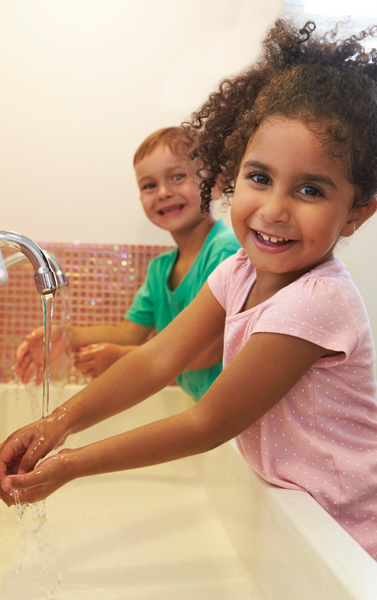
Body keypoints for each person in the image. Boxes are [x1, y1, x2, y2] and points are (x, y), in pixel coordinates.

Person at [0, 19, 377, 598]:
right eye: (259, 177)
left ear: (355, 214)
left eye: (311, 190)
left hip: (374, 555)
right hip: (314, 534)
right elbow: (156, 360)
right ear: (230, 176)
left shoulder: (318, 303)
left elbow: (208, 421)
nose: (273, 209)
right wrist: (56, 423)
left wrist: (70, 463)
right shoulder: (237, 271)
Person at [15, 127, 241, 401]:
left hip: (236, 411)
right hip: (207, 408)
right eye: (149, 185)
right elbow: (129, 332)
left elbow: (208, 350)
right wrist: (67, 336)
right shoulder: (160, 270)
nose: (163, 192)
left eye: (178, 176)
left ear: (215, 185)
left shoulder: (227, 251)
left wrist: (121, 358)